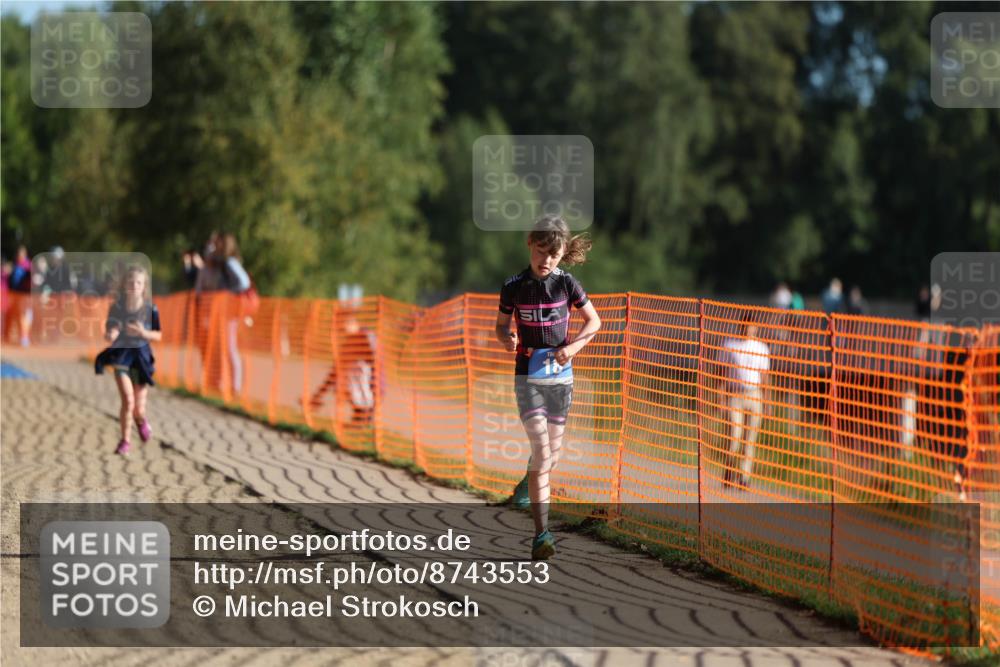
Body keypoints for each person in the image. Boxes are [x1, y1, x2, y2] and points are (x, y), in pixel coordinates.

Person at [495, 215, 601, 560]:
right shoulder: (514, 286)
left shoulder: (567, 284)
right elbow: (500, 327)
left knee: (549, 458)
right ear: (530, 244)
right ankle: (542, 534)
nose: (546, 261)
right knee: (542, 451)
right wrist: (507, 338)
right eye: (542, 252)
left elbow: (594, 321)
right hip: (527, 375)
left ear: (562, 254)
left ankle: (529, 481)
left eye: (554, 255)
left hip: (561, 379)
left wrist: (572, 348)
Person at [94, 265, 162, 455]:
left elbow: (159, 335)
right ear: (124, 285)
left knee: (138, 409)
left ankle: (141, 421)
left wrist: (143, 332)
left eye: (138, 282)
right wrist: (112, 334)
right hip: (122, 355)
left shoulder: (151, 308)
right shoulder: (116, 307)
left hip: (141, 358)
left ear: (144, 286)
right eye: (130, 282)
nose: (134, 285)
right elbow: (110, 329)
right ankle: (125, 441)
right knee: (128, 400)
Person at [720, 311, 770, 490]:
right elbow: (720, 374)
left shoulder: (761, 348)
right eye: (746, 325)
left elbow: (765, 377)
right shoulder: (729, 344)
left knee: (749, 439)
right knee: (734, 435)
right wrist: (721, 398)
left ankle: (744, 477)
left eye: (752, 325)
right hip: (735, 395)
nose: (748, 328)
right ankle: (729, 468)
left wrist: (767, 402)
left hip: (754, 394)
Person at [218, 234, 252, 395]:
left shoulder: (230, 262)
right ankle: (231, 385)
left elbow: (244, 282)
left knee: (231, 347)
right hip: (228, 310)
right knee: (227, 347)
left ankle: (236, 387)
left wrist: (228, 293)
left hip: (232, 311)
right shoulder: (224, 262)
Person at [5, 246, 33, 346]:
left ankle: (25, 337)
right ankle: (16, 337)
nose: (18, 256)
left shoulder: (28, 266)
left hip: (26, 296)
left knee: (25, 316)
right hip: (14, 296)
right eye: (18, 254)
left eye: (20, 254)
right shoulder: (15, 266)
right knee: (17, 317)